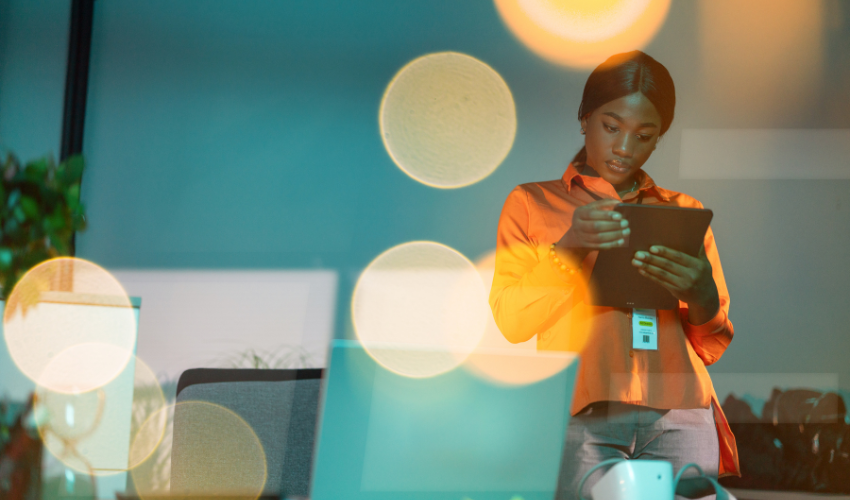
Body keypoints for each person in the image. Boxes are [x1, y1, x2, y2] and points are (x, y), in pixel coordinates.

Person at [488, 51, 739, 500]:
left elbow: (712, 345)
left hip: (682, 416)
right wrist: (570, 247)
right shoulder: (532, 203)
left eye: (644, 136)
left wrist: (702, 294)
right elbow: (512, 321)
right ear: (584, 118)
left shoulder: (684, 212)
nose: (625, 147)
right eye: (611, 127)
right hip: (583, 415)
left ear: (658, 139)